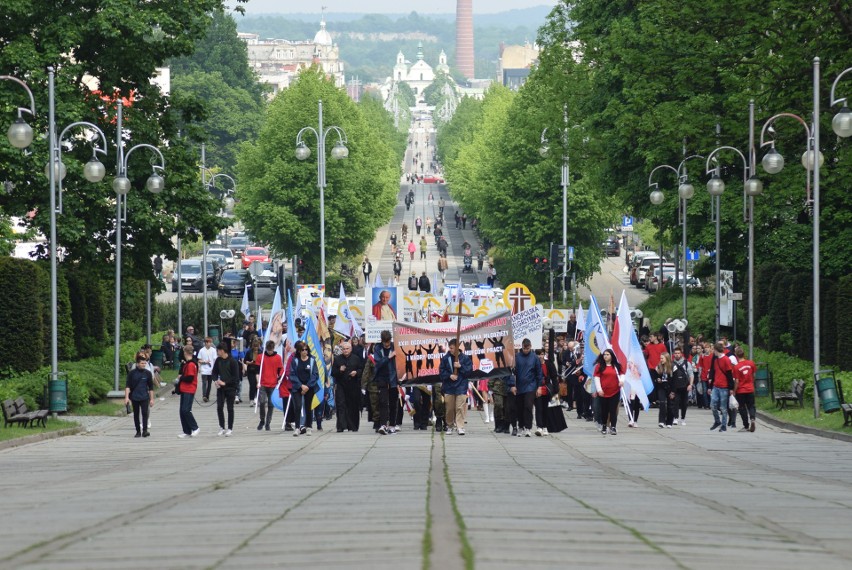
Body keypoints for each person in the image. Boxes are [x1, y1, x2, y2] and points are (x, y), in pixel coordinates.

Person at [440, 338, 473, 435]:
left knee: (459, 407)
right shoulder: (446, 358)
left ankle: (460, 426)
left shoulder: (465, 358)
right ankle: (449, 425)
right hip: (449, 387)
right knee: (449, 408)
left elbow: (469, 371)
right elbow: (441, 372)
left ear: (457, 347)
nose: (450, 350)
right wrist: (449, 375)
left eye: (452, 348)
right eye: (449, 348)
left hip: (461, 386)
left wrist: (460, 367)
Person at [511, 338, 542, 437]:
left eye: (528, 348)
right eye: (524, 348)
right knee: (519, 408)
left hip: (531, 386)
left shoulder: (534, 358)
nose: (526, 350)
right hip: (519, 386)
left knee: (528, 406)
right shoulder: (517, 357)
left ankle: (528, 427)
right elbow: (512, 372)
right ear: (522, 347)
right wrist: (513, 385)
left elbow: (539, 373)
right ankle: (521, 426)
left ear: (531, 347)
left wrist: (539, 387)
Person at [289, 340, 320, 436]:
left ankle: (309, 427)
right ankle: (297, 427)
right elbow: (292, 374)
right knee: (298, 407)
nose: (304, 351)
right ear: (299, 351)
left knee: (308, 407)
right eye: (302, 350)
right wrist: (300, 386)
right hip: (297, 387)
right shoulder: (295, 360)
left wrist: (307, 386)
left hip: (309, 387)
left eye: (306, 350)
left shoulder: (312, 360)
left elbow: (315, 374)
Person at [373, 330, 400, 435]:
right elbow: (378, 364)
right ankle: (383, 424)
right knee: (383, 402)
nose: (387, 344)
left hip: (394, 379)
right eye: (385, 343)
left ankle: (392, 424)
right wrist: (388, 357)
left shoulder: (395, 346)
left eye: (388, 342)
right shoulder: (378, 348)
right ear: (382, 341)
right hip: (382, 379)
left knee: (393, 403)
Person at [333, 341, 363, 432]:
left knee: (352, 406)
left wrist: (356, 372)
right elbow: (333, 373)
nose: (345, 350)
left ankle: (353, 426)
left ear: (351, 349)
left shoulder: (356, 358)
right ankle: (341, 426)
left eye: (347, 349)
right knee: (341, 405)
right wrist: (340, 370)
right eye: (344, 349)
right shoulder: (338, 359)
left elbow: (361, 369)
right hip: (341, 385)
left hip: (353, 385)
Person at [211, 342, 240, 437]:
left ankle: (230, 428)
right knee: (219, 407)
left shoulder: (232, 361)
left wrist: (225, 383)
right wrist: (215, 381)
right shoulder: (218, 360)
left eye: (218, 350)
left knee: (230, 408)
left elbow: (236, 377)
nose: (217, 352)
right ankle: (221, 427)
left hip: (230, 388)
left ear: (222, 351)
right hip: (220, 388)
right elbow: (214, 372)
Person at [594, 349, 625, 435]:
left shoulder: (617, 366)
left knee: (613, 410)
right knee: (604, 410)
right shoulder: (599, 366)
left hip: (615, 391)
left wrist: (622, 381)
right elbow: (597, 378)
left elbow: (622, 374)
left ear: (611, 356)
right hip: (603, 392)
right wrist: (599, 389)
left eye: (607, 354)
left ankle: (613, 427)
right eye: (604, 355)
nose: (605, 356)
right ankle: (604, 426)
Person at [256, 340, 284, 431]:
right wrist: (258, 382)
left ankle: (268, 422)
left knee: (271, 404)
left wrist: (279, 377)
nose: (269, 351)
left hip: (273, 384)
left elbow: (280, 369)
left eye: (271, 349)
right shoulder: (261, 357)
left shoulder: (278, 358)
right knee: (262, 402)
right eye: (268, 349)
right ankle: (262, 420)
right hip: (263, 383)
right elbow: (257, 371)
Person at [125, 352, 154, 438]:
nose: (143, 365)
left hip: (144, 396)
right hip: (135, 396)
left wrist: (152, 399)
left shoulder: (147, 373)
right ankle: (138, 431)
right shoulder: (132, 373)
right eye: (142, 363)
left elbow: (151, 388)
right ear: (137, 364)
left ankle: (145, 430)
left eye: (145, 363)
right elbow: (127, 386)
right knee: (136, 414)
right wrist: (126, 397)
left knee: (145, 413)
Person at [709, 341, 734, 432]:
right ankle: (717, 421)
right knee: (713, 405)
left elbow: (729, 374)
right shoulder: (716, 360)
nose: (713, 352)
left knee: (723, 407)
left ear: (716, 350)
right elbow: (714, 372)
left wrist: (731, 388)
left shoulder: (726, 360)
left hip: (724, 386)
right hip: (716, 385)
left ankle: (723, 425)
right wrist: (710, 386)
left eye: (714, 350)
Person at [176, 345, 200, 438]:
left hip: (189, 389)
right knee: (182, 410)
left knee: (186, 410)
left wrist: (181, 377)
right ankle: (186, 431)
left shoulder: (191, 364)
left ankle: (195, 427)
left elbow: (190, 378)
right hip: (184, 389)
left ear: (185, 352)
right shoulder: (188, 363)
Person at [733, 346, 757, 432]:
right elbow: (754, 375)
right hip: (750, 389)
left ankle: (746, 425)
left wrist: (734, 391)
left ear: (736, 355)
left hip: (741, 390)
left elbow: (737, 381)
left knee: (742, 407)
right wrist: (751, 382)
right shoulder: (751, 363)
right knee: (751, 406)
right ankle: (753, 419)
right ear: (744, 354)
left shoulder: (736, 367)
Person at [670, 347, 694, 426]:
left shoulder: (687, 363)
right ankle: (675, 418)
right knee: (675, 402)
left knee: (684, 403)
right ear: (673, 354)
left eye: (678, 353)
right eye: (675, 353)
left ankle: (683, 418)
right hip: (675, 386)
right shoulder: (671, 363)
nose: (677, 355)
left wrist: (690, 384)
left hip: (685, 386)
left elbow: (691, 374)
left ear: (681, 354)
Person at [655, 352, 673, 428]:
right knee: (662, 403)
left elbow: (673, 379)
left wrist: (673, 390)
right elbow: (655, 377)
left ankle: (669, 422)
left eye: (662, 358)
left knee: (670, 405)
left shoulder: (672, 367)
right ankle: (661, 421)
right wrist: (657, 379)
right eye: (660, 358)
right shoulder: (658, 367)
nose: (661, 359)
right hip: (661, 387)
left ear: (667, 358)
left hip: (669, 387)